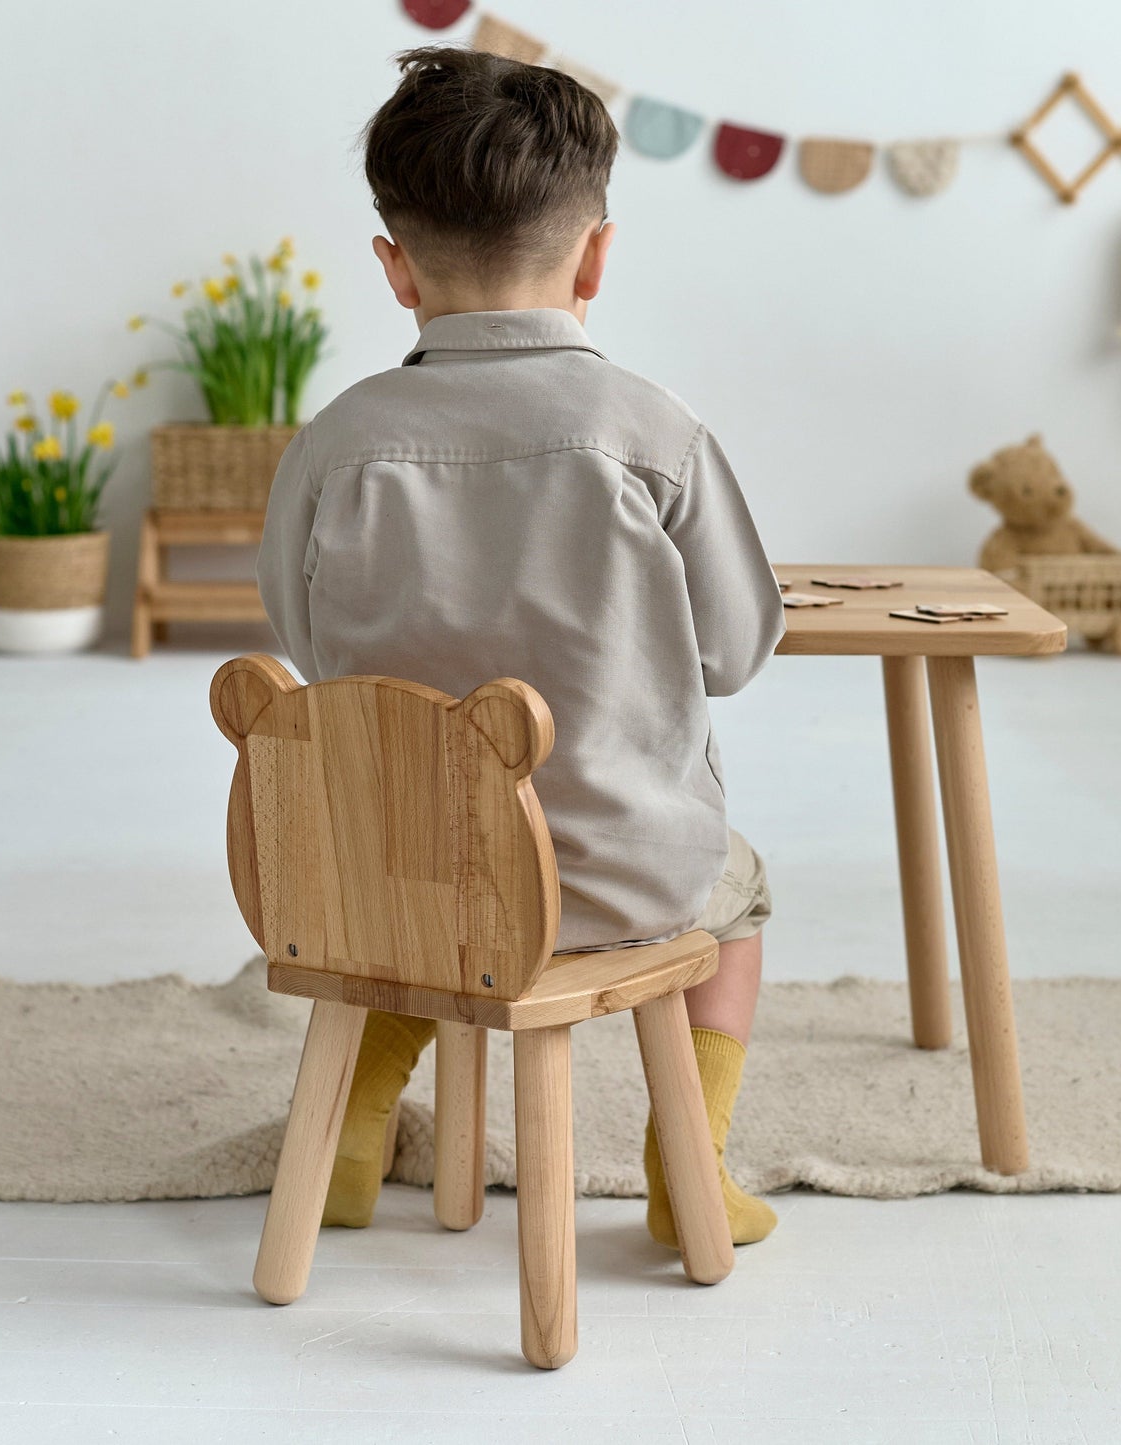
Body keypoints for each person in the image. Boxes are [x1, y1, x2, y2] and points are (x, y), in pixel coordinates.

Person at [257, 46, 785, 1249]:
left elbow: (299, 639)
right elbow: (738, 648)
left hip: (380, 874)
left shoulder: (336, 443)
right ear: (597, 254)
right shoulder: (653, 432)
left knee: (418, 906)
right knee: (739, 899)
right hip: (612, 880)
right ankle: (686, 1163)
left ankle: (345, 1133)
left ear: (394, 270)